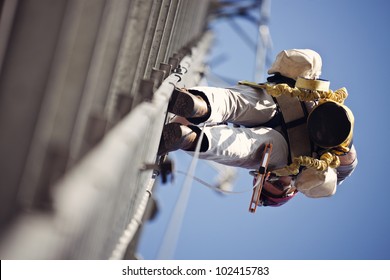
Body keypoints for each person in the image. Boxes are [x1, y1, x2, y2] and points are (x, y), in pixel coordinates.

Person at [158, 49, 358, 207]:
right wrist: (341, 148)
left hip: (287, 121)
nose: (269, 176)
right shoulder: (325, 170)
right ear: (291, 190)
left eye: (266, 180)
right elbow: (348, 162)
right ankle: (191, 127)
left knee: (240, 123)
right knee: (241, 131)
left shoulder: (286, 167)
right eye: (278, 183)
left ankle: (195, 114)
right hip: (293, 105)